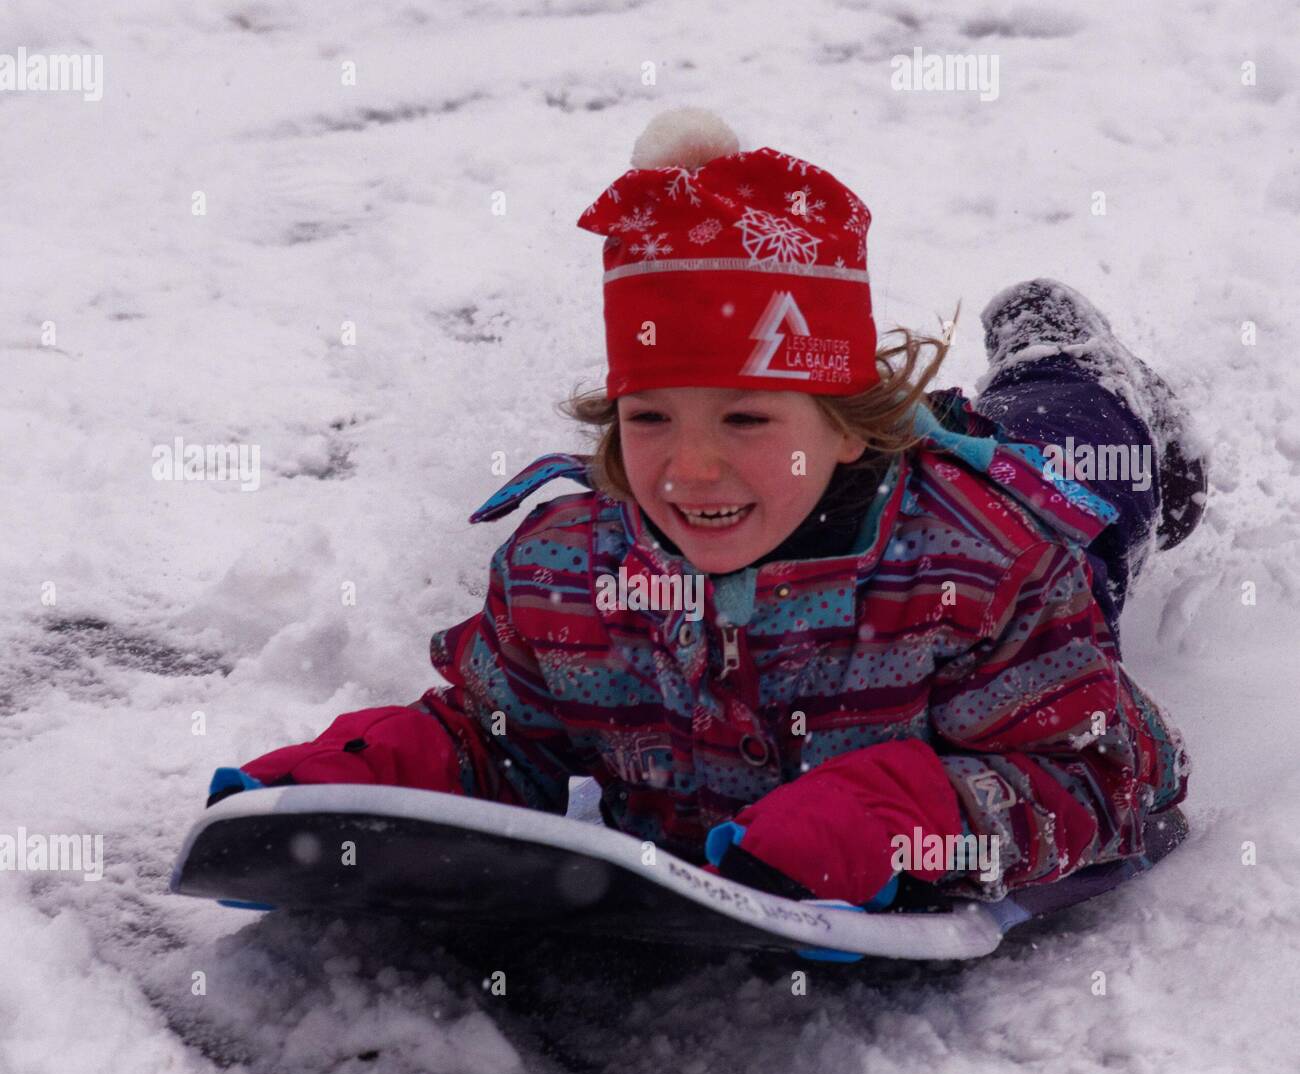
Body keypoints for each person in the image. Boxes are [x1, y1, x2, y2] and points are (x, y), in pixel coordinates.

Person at [207, 108, 1202, 911]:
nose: (691, 466)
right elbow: (502, 735)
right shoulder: (567, 576)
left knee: (1079, 431)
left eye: (743, 417)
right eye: (649, 416)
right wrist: (361, 785)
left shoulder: (984, 570)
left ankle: (1057, 342)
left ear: (849, 422)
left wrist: (903, 816)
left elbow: (1117, 774)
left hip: (1047, 506)